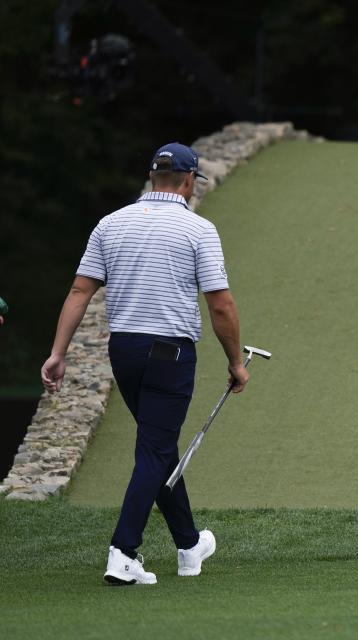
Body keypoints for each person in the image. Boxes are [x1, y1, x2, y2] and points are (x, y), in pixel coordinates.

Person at [40, 142, 250, 585]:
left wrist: (58, 353)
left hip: (125, 352)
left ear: (154, 177)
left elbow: (80, 292)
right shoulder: (197, 229)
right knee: (154, 449)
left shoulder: (110, 224)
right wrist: (236, 361)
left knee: (160, 444)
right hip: (170, 354)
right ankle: (123, 552)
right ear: (190, 181)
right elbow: (221, 306)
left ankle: (189, 545)